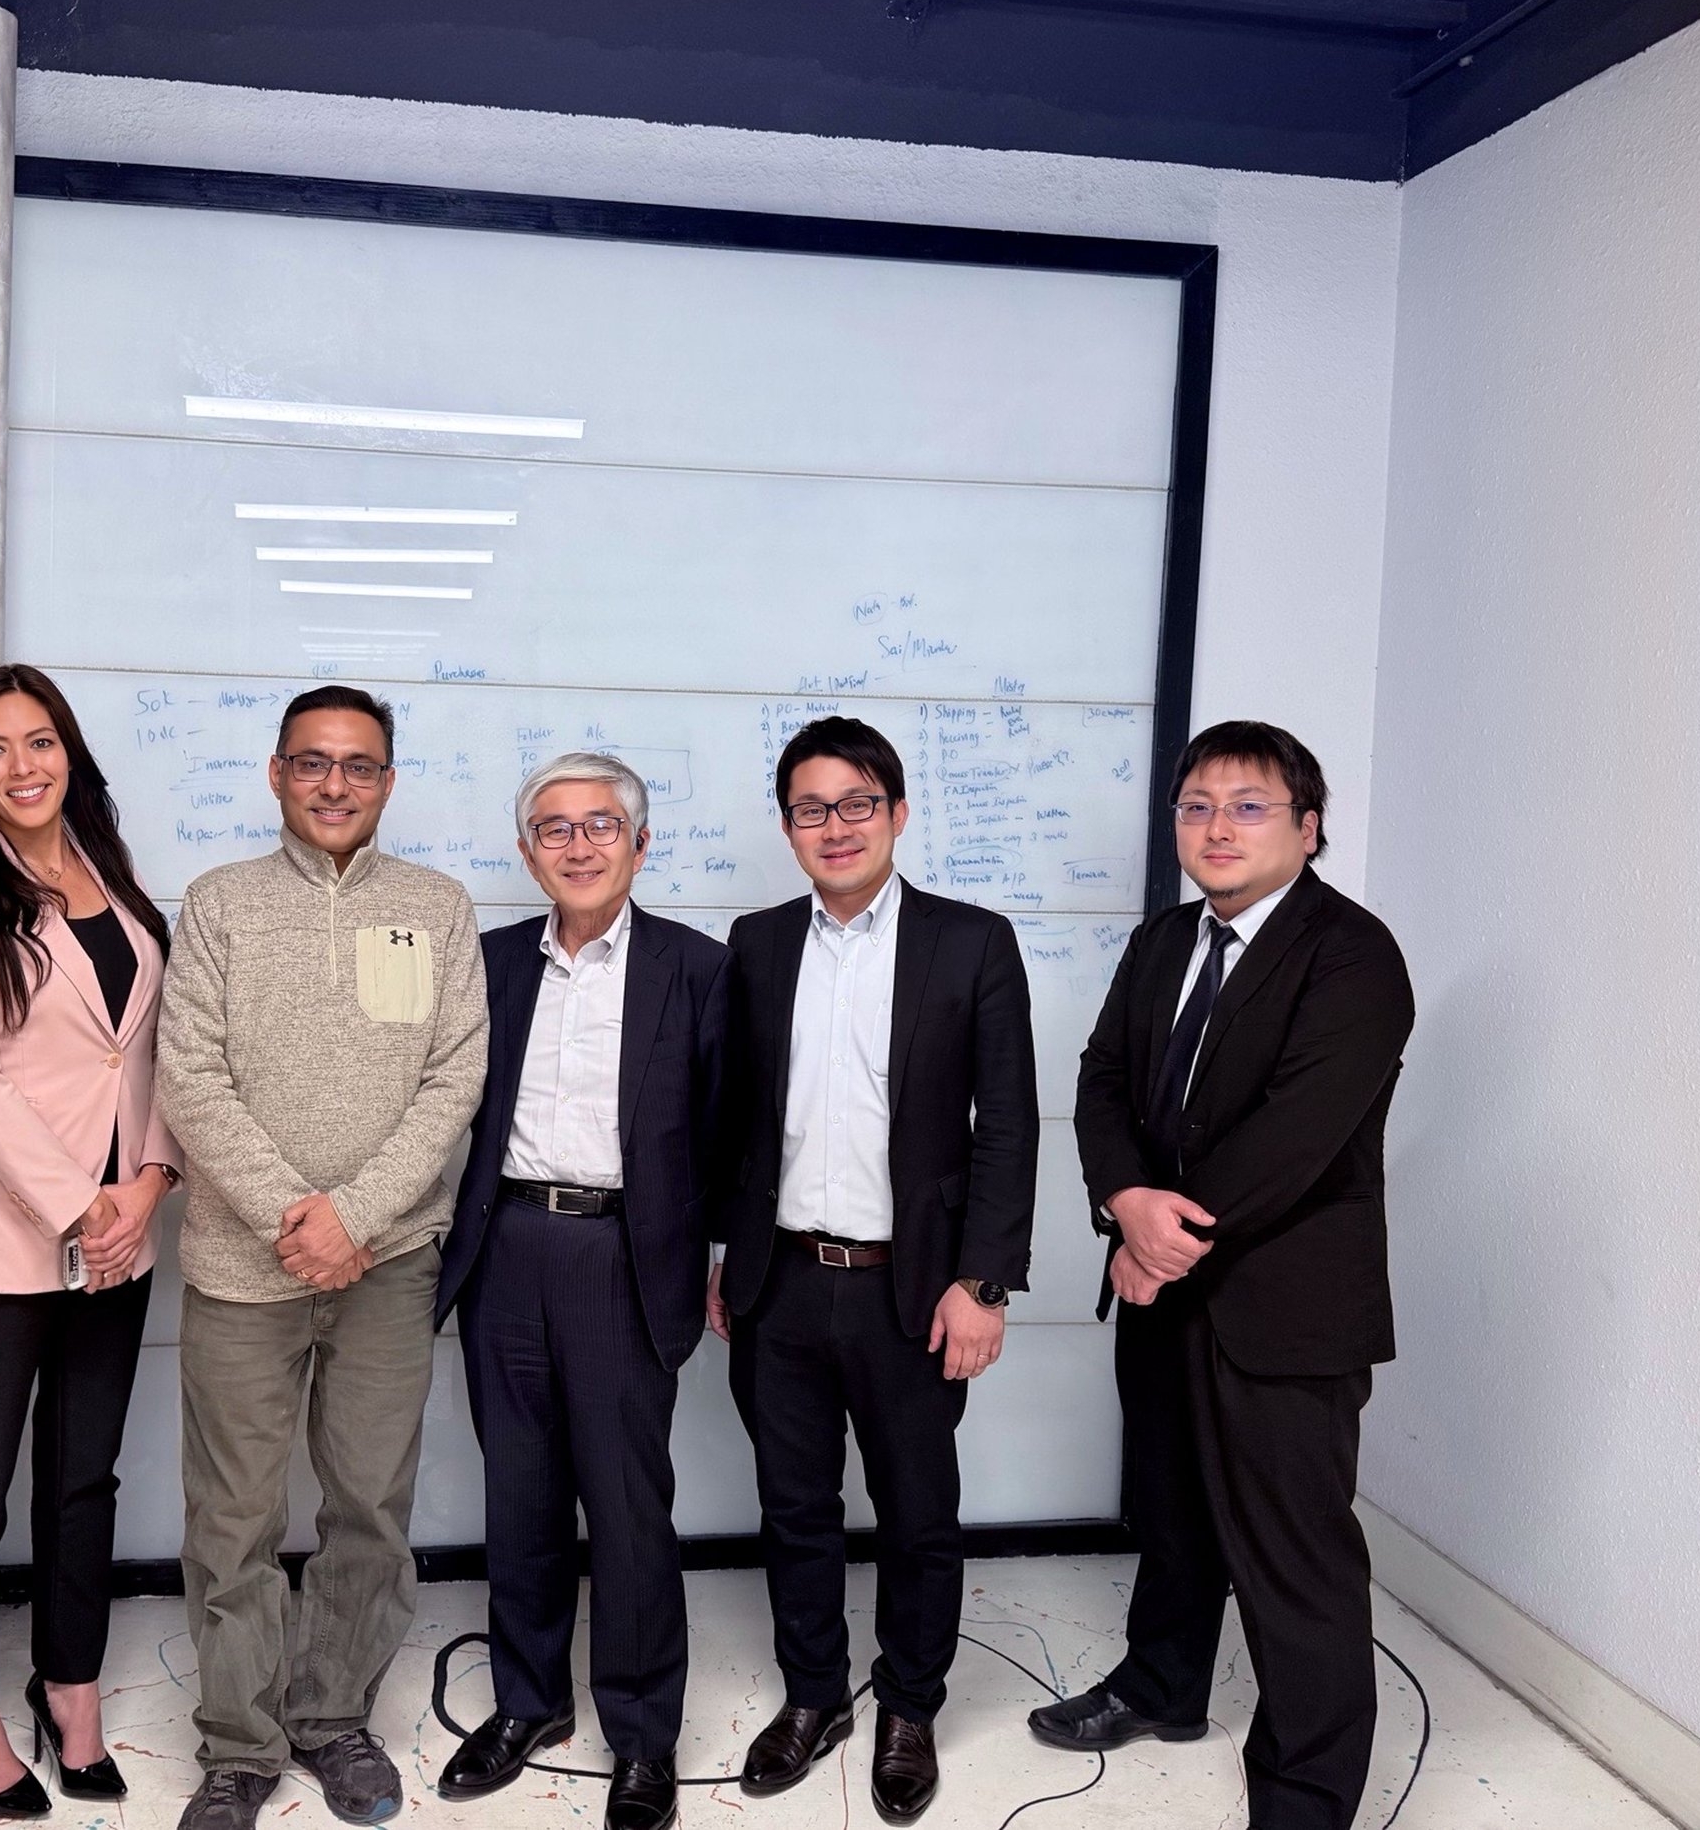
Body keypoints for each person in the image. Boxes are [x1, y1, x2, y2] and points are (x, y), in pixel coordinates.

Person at [1032, 721, 1414, 1830]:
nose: (1216, 827)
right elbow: (1103, 1081)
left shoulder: (1352, 954)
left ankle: (1302, 1799)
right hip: (1163, 1300)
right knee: (1172, 1516)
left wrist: (1161, 1237)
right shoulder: (1163, 942)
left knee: (1296, 1561)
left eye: (1248, 806)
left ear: (1307, 826)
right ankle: (1162, 1687)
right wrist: (1122, 1201)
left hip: (1286, 1311)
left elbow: (1297, 1136)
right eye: (1195, 805)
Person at [156, 684, 488, 1830]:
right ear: (276, 773)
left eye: (359, 765)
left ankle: (333, 1716)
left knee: (368, 1504)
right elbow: (188, 1077)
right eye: (313, 763)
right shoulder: (218, 905)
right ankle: (240, 1747)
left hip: (388, 1265)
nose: (335, 784)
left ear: (388, 781)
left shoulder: (438, 909)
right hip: (241, 1269)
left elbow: (454, 1080)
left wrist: (355, 1218)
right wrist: (293, 1215)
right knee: (233, 1517)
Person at [709, 715, 1039, 1828]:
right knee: (792, 1506)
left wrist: (983, 1280)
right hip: (781, 1281)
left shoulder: (970, 941)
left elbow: (1009, 1124)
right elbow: (734, 1123)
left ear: (896, 813)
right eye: (811, 807)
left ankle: (907, 1706)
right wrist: (722, 1253)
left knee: (915, 1512)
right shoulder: (754, 944)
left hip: (916, 1286)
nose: (835, 825)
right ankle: (815, 1699)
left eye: (858, 803)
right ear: (788, 825)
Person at [0, 665, 184, 1818]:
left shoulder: (113, 879)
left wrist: (151, 1182)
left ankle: (71, 1689)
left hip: (123, 1236)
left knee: (82, 1484)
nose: (24, 767)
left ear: (71, 751)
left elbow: (152, 1051)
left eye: (41, 741)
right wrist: (82, 1204)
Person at [432, 753, 730, 1830]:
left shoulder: (698, 969)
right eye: (553, 829)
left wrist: (723, 1255)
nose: (578, 844)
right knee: (517, 1494)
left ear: (640, 845)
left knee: (626, 1506)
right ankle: (528, 1703)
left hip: (622, 1254)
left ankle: (644, 1735)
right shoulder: (488, 962)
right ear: (527, 852)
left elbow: (728, 1130)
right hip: (504, 1247)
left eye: (600, 825)